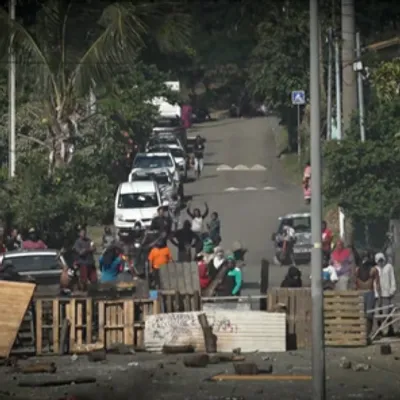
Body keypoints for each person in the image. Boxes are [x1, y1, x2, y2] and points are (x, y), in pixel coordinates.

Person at [355, 250, 381, 337]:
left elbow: (377, 283)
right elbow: (355, 281)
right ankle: (362, 333)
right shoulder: (358, 269)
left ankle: (367, 334)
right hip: (362, 292)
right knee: (362, 314)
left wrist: (378, 295)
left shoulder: (373, 269)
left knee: (369, 314)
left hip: (369, 292)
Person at [375, 252, 397, 337]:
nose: (380, 262)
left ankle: (389, 329)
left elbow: (392, 279)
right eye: (379, 261)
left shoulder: (389, 267)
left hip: (387, 294)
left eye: (381, 260)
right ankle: (379, 331)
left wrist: (392, 290)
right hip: (378, 295)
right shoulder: (376, 268)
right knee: (378, 313)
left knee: (387, 313)